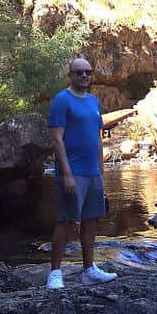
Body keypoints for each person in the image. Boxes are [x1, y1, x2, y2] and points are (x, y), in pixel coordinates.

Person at [45, 56, 117, 290]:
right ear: (70, 75)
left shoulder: (94, 102)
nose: (84, 76)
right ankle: (55, 273)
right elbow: (56, 139)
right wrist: (66, 173)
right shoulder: (61, 101)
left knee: (90, 220)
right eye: (79, 72)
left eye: (88, 72)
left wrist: (102, 173)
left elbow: (97, 139)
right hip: (72, 171)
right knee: (65, 220)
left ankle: (89, 271)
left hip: (93, 172)